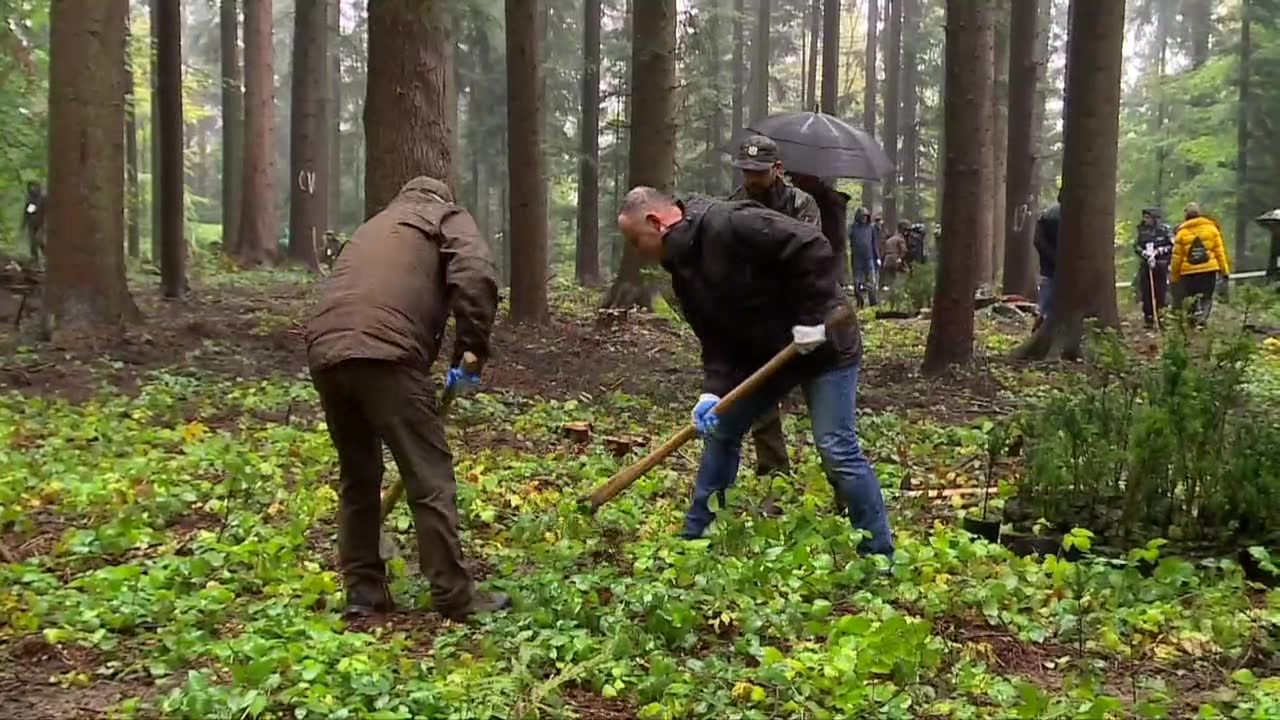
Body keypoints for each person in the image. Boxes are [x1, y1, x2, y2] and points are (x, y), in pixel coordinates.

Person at [615, 186, 895, 558]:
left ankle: (878, 554)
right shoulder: (682, 269)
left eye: (636, 240)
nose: (637, 252)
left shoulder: (730, 223)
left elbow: (811, 244)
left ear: (656, 222)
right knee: (723, 429)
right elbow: (715, 336)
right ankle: (696, 537)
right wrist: (712, 391)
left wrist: (813, 318)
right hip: (769, 354)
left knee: (836, 447)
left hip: (826, 343)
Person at [304, 176, 510, 621]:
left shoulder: (375, 226)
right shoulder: (444, 217)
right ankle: (454, 596)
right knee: (428, 474)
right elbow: (475, 273)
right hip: (386, 353)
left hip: (325, 352)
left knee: (358, 476)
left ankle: (363, 594)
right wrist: (471, 350)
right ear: (441, 198)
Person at [726, 135, 821, 498]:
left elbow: (808, 254)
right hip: (758, 316)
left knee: (822, 401)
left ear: (777, 169)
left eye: (759, 172)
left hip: (802, 314)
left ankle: (841, 483)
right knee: (761, 402)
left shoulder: (801, 203)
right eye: (746, 171)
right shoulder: (734, 205)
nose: (752, 178)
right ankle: (774, 478)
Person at [1172, 202, 1230, 325]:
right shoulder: (1212, 229)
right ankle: (1202, 320)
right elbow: (1220, 252)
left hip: (1188, 272)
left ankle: (1192, 322)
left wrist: (1175, 277)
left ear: (1186, 216)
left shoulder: (1181, 233)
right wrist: (1224, 271)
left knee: (1191, 298)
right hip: (1208, 271)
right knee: (1206, 296)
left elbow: (1177, 257)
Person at [1134, 208, 1174, 329]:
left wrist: (1159, 251)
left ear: (1154, 218)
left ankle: (1161, 316)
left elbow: (1172, 245)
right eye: (1144, 217)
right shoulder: (1142, 231)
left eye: (1148, 217)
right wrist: (1144, 253)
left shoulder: (1164, 230)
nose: (1145, 220)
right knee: (1146, 292)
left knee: (1160, 291)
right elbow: (1136, 246)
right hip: (1146, 265)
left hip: (1161, 264)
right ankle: (1149, 317)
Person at [1032, 198, 1061, 331]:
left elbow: (1037, 240)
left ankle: (1042, 321)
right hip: (1057, 268)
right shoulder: (1071, 214)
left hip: (1048, 267)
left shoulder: (1046, 214)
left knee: (1046, 301)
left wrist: (1049, 256)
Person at [848, 208, 880, 307]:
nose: (864, 218)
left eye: (866, 216)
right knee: (857, 282)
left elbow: (874, 243)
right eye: (862, 216)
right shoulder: (853, 228)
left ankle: (873, 303)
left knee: (871, 282)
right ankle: (859, 301)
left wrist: (877, 257)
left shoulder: (871, 228)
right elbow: (848, 239)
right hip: (857, 259)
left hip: (869, 258)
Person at [880, 221, 911, 289]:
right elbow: (904, 250)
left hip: (887, 260)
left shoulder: (890, 239)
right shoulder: (900, 239)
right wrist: (900, 258)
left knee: (890, 276)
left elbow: (883, 251)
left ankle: (887, 287)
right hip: (895, 259)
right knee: (906, 273)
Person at [22, 181, 45, 266]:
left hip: (41, 224)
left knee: (40, 241)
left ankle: (47, 258)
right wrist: (23, 223)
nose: (33, 189)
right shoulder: (30, 199)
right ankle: (35, 260)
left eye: (34, 186)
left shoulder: (43, 198)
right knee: (33, 243)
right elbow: (27, 212)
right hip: (31, 224)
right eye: (31, 187)